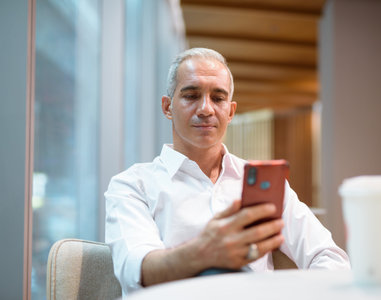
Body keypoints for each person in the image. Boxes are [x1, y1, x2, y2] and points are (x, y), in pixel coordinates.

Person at [105, 48, 350, 296]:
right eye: (191, 95)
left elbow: (329, 257)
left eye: (218, 98)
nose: (206, 109)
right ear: (167, 107)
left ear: (231, 112)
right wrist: (203, 252)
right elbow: (138, 271)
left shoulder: (263, 183)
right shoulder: (132, 185)